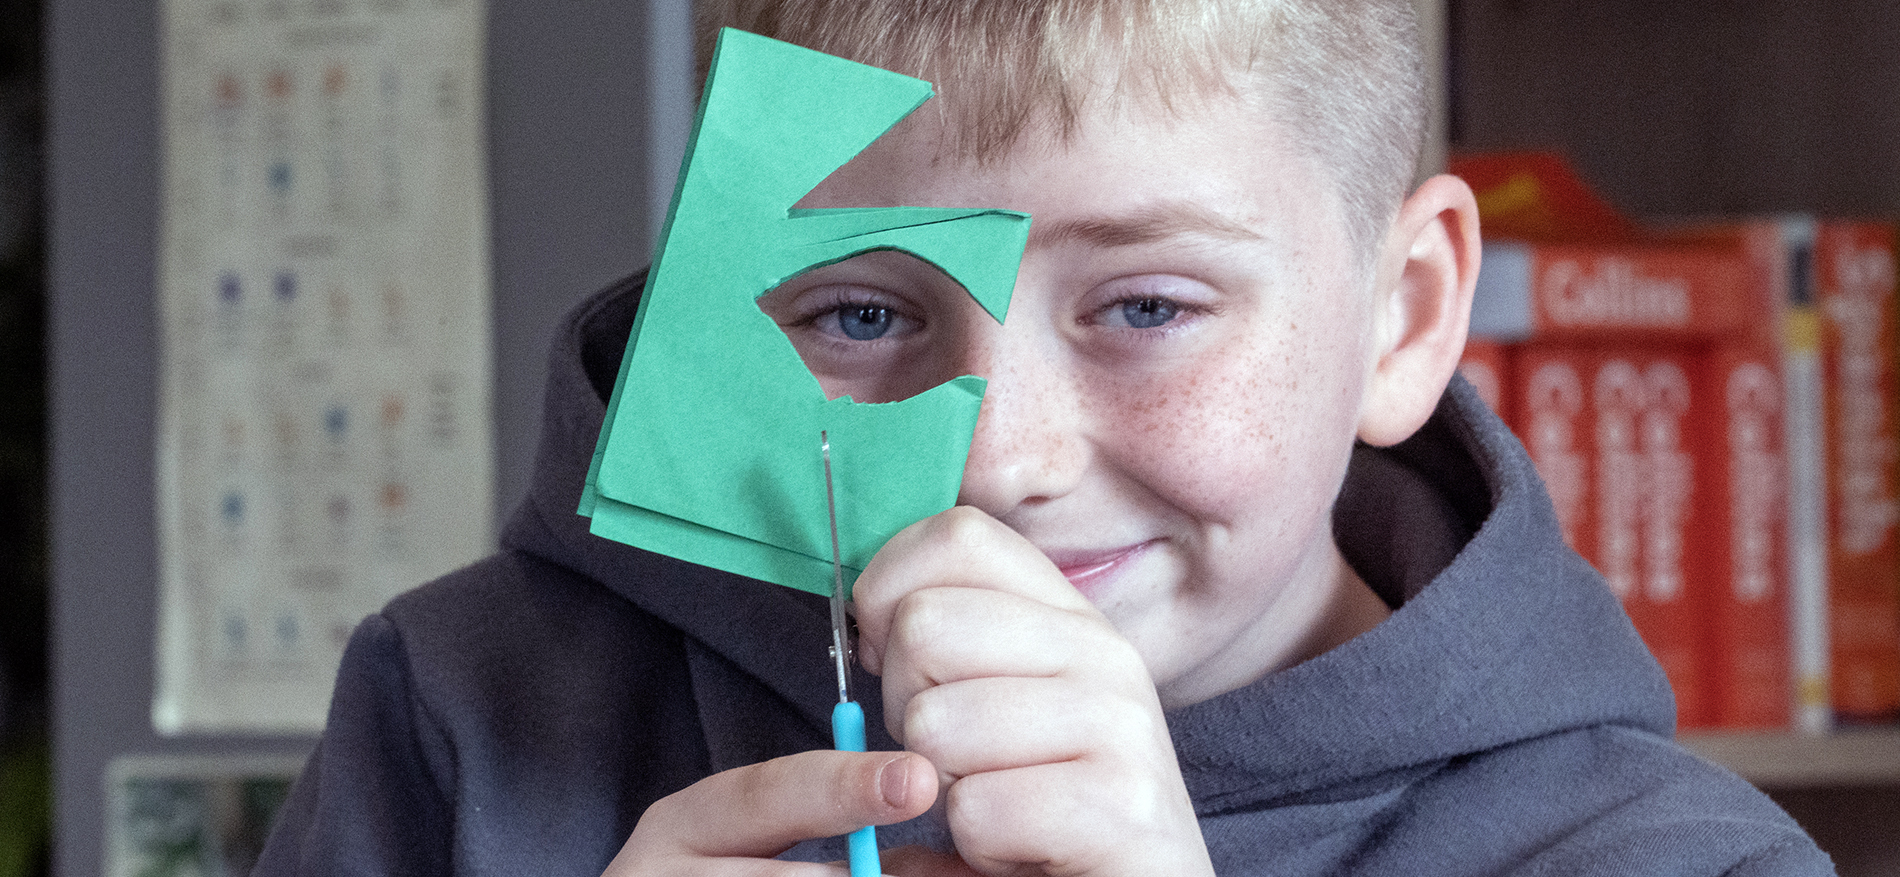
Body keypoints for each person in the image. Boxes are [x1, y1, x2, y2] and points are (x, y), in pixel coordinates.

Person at [253, 1, 1835, 875]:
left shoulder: (1666, 862)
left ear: (1404, 316)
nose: (994, 462)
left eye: (1147, 308)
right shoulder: (457, 720)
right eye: (862, 315)